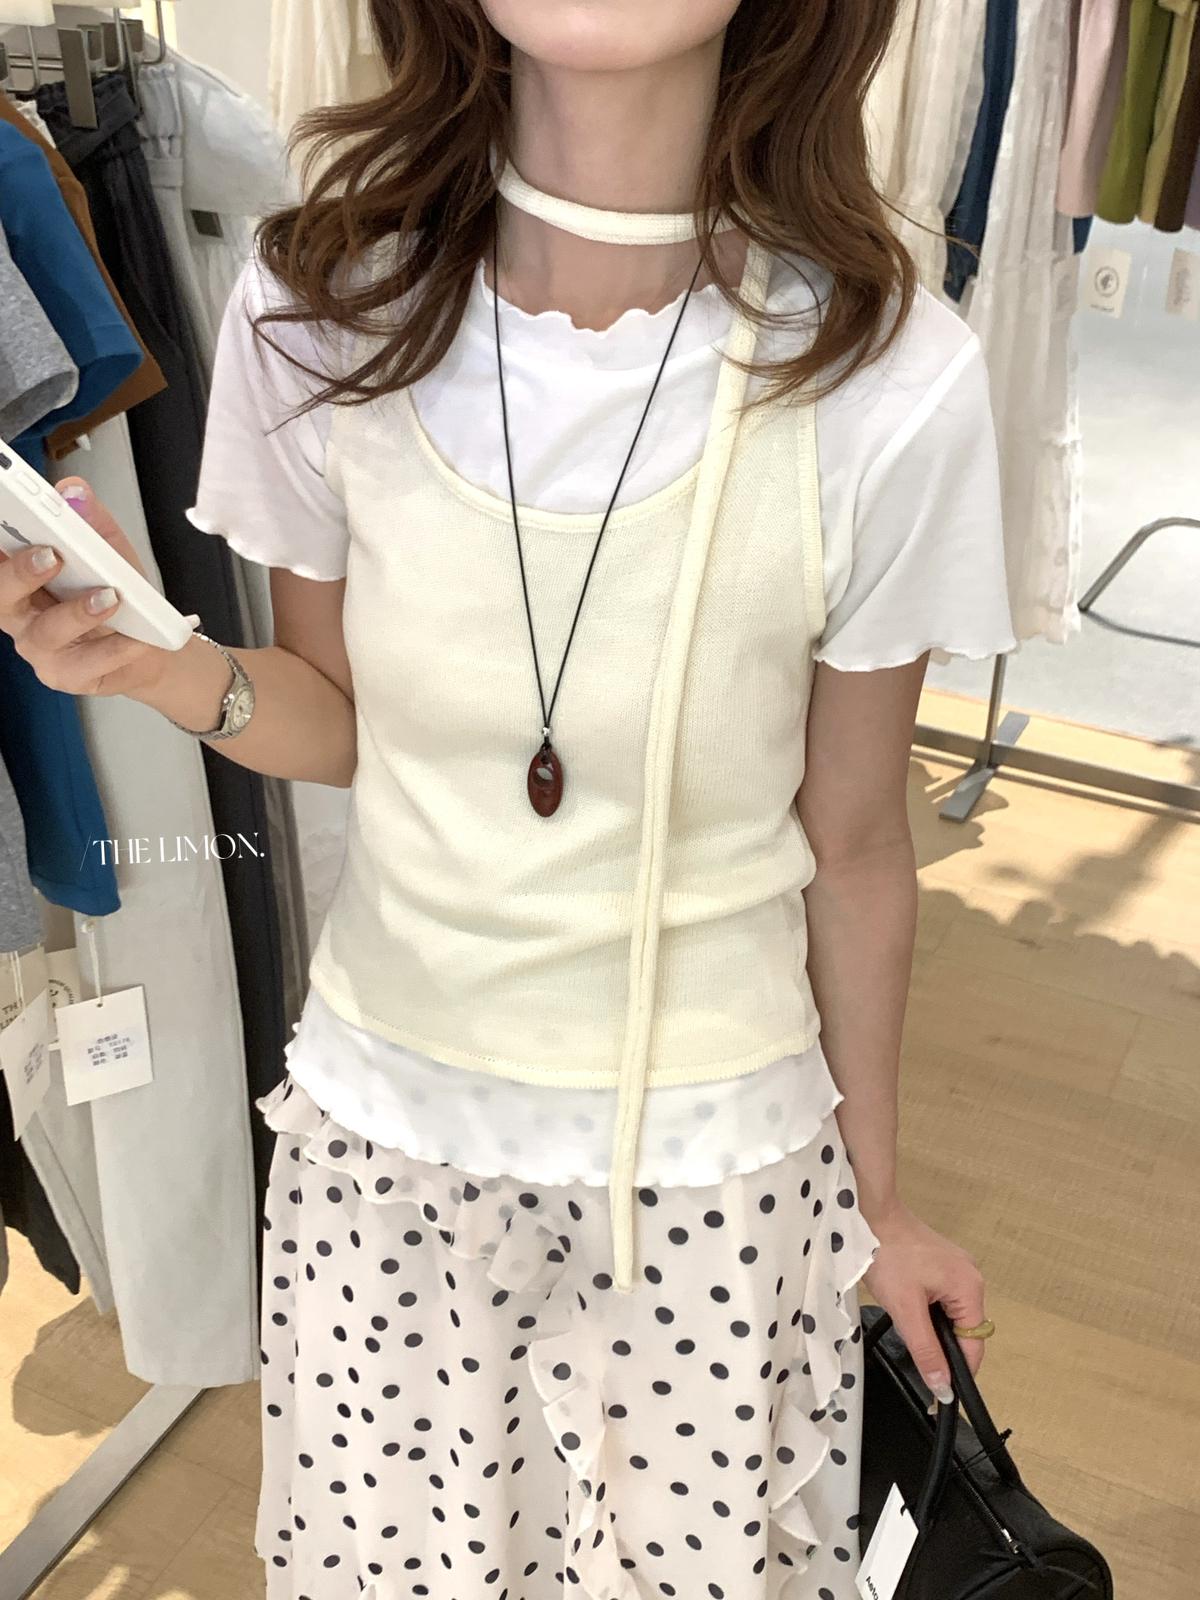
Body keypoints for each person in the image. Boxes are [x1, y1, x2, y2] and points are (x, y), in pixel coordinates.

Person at [0, 2, 1015, 1594]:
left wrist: (875, 1205)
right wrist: (153, 666)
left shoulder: (888, 377)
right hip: (380, 1158)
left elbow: (858, 842)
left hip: (713, 1178)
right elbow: (343, 721)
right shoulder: (322, 309)